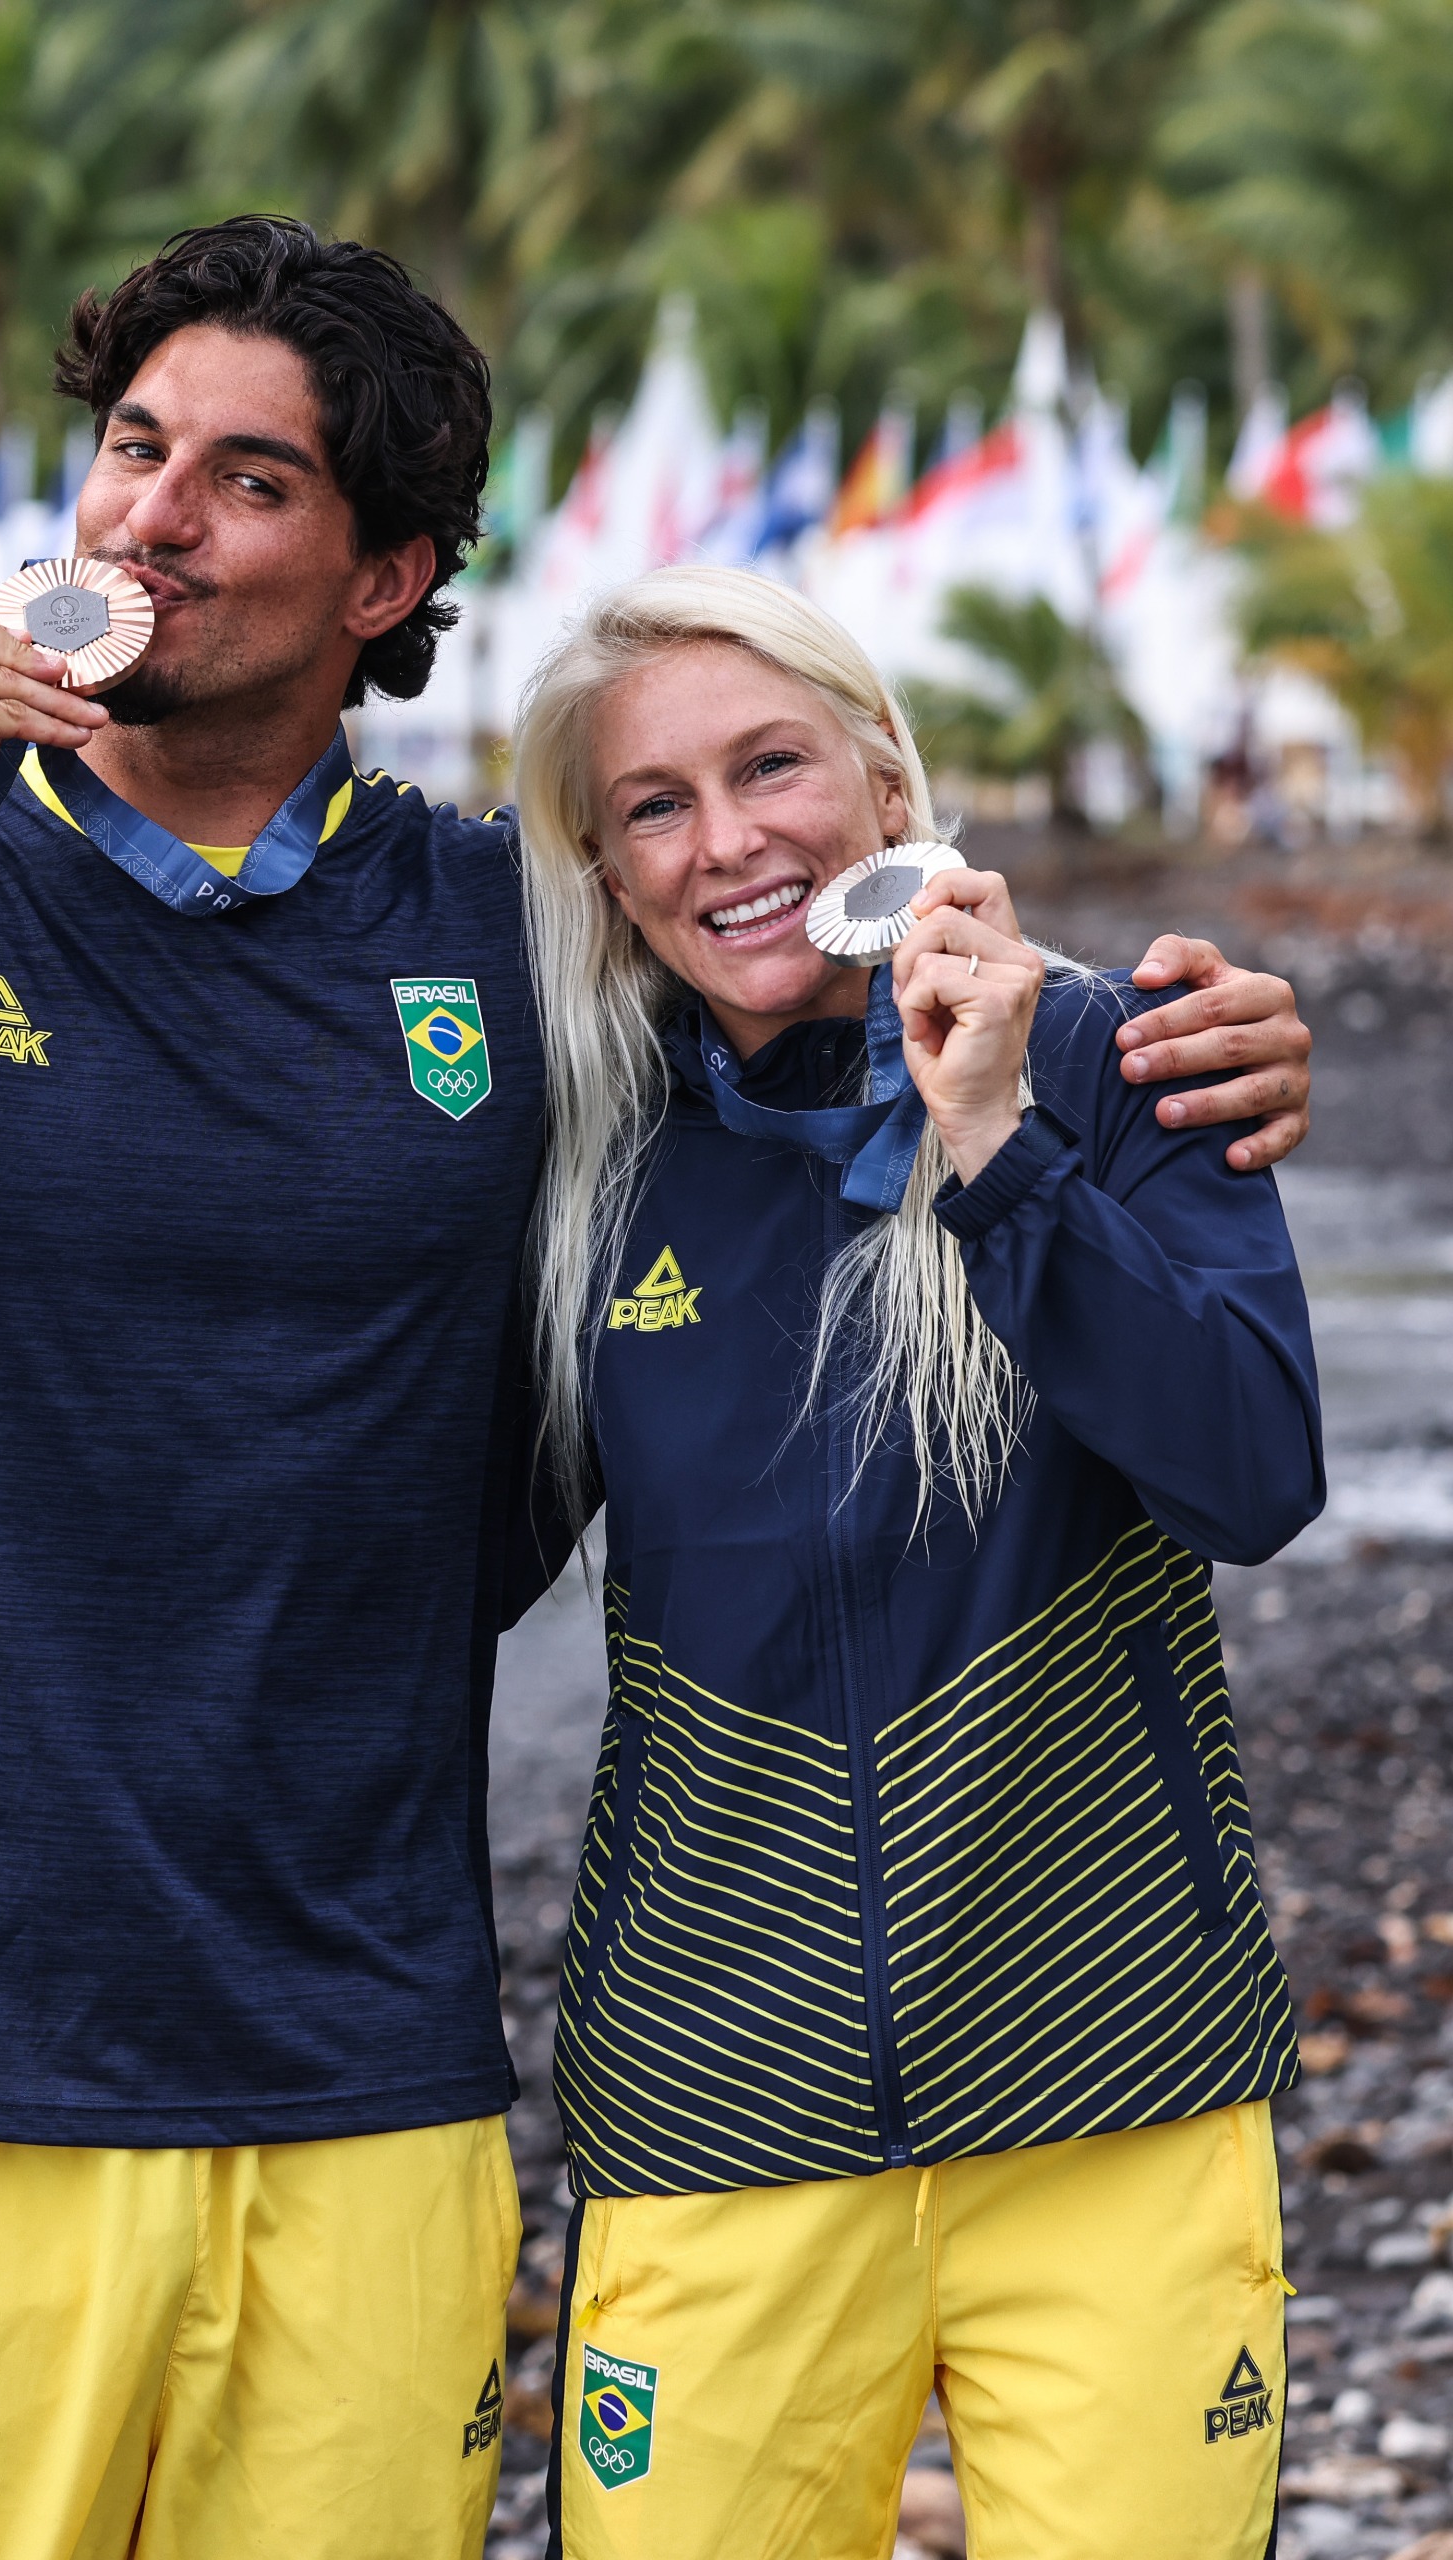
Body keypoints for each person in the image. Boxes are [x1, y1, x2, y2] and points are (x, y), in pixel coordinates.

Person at [0, 219, 1313, 2560]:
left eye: (247, 480)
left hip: (366, 2060)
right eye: (132, 450)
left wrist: (1157, 1047)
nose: (149, 517)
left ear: (382, 575)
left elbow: (794, 953)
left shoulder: (501, 942)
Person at [511, 565, 1321, 2560]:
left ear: (881, 780)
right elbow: (406, 1561)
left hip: (1111, 2054)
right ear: (607, 871)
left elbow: (1251, 1469)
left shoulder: (1124, 1061)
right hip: (716, 2086)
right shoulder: (582, 1163)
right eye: (657, 807)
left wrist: (996, 1144)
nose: (729, 841)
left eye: (769, 764)